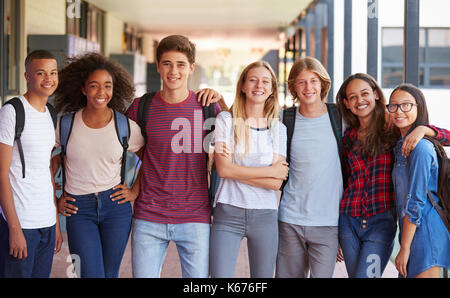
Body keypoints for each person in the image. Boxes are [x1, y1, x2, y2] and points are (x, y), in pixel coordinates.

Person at [125, 35, 224, 278]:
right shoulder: (141, 107)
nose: (173, 71)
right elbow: (119, 143)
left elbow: (236, 139)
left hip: (195, 216)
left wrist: (222, 99)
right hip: (149, 216)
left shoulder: (207, 106)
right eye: (167, 63)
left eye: (180, 64)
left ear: (191, 67)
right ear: (158, 66)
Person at [335, 73, 449, 278]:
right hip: (349, 219)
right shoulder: (348, 136)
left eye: (364, 93)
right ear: (346, 103)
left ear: (376, 95)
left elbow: (446, 137)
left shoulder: (393, 129)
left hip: (382, 221)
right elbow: (342, 179)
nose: (360, 100)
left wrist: (424, 129)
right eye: (353, 97)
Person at [52, 53, 145, 278]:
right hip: (78, 208)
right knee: (90, 274)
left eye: (107, 86)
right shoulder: (66, 125)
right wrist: (55, 200)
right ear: (83, 89)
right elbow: (47, 162)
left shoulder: (125, 126)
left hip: (116, 207)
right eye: (94, 86)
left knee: (109, 274)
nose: (101, 92)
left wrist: (135, 190)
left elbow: (148, 158)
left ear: (114, 89)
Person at [209, 61, 288, 278]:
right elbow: (223, 170)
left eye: (265, 81)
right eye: (252, 79)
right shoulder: (226, 119)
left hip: (265, 215)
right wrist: (268, 171)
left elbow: (276, 183)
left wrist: (236, 169)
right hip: (228, 211)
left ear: (271, 89)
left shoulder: (278, 129)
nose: (258, 85)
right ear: (243, 85)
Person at [275, 57, 344, 278]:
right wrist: (217, 100)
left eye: (313, 80)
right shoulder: (285, 118)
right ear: (294, 86)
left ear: (322, 83)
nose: (308, 87)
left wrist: (426, 131)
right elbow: (246, 116)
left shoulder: (340, 117)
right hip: (290, 219)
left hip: (328, 222)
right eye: (301, 82)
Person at [0, 50, 62, 278]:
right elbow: (1, 174)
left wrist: (54, 221)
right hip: (20, 222)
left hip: (45, 221)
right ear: (27, 76)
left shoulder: (50, 113)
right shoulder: (12, 112)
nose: (49, 78)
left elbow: (46, 170)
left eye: (53, 72)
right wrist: (14, 229)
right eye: (41, 73)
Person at [388, 83, 450, 278]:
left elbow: (415, 200)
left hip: (426, 232)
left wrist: (404, 247)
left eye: (406, 105)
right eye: (394, 105)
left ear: (419, 108)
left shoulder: (421, 148)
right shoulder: (400, 144)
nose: (399, 111)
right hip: (411, 231)